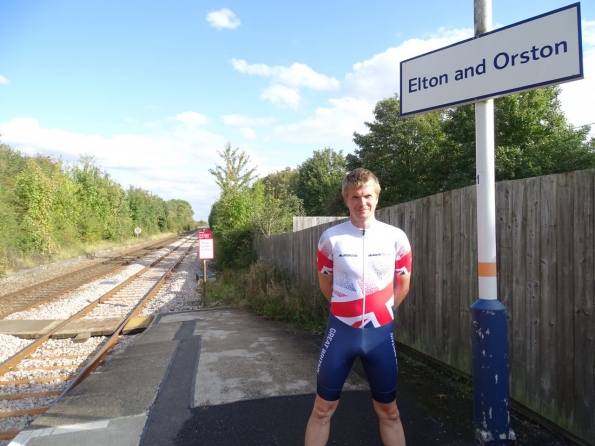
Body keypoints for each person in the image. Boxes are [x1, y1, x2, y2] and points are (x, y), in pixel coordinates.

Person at [304, 168, 412, 446]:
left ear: (376, 197)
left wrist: (381, 315)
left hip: (379, 335)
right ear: (346, 200)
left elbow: (403, 286)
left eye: (366, 196)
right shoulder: (331, 238)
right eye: (354, 197)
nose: (361, 202)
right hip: (341, 332)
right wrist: (348, 313)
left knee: (390, 412)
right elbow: (326, 286)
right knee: (322, 410)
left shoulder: (396, 237)